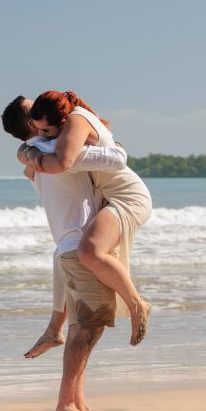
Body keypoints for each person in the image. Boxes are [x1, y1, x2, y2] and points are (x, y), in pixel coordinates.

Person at [2, 95, 126, 411]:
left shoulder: (36, 157)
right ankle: (65, 404)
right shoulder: (55, 153)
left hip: (66, 246)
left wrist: (26, 152)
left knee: (80, 328)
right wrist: (112, 144)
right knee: (89, 328)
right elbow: (117, 159)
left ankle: (76, 400)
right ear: (34, 124)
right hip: (77, 245)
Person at [26, 90, 153, 346]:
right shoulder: (64, 135)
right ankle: (55, 329)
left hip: (127, 196)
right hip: (110, 197)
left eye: (46, 130)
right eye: (37, 130)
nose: (42, 135)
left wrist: (31, 156)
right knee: (67, 253)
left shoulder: (75, 123)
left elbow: (62, 162)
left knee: (89, 251)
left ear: (63, 123)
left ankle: (138, 305)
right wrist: (29, 153)